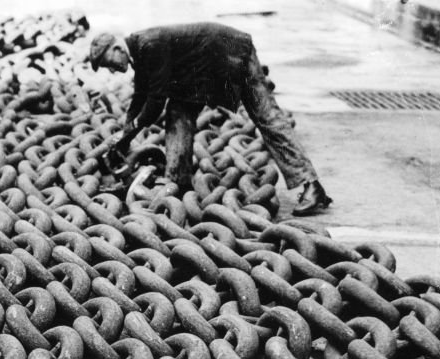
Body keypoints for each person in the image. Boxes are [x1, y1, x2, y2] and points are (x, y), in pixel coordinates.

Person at [88, 23, 332, 215]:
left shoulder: (148, 45)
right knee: (178, 114)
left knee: (266, 117)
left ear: (118, 49)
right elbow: (140, 96)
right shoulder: (139, 51)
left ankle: (311, 186)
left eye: (109, 64)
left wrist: (132, 130)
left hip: (231, 55)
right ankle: (178, 181)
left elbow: (155, 101)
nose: (112, 70)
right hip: (200, 72)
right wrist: (124, 135)